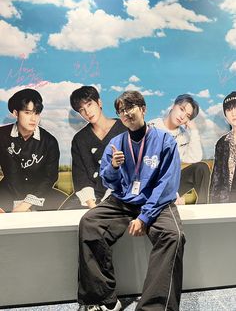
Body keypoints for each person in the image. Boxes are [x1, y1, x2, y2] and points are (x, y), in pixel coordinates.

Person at [78, 91, 185, 311]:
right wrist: (114, 167)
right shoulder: (116, 144)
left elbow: (167, 184)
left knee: (173, 236)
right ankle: (104, 300)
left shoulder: (165, 141)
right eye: (121, 111)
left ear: (143, 109)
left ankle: (155, 308)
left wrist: (145, 216)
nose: (126, 114)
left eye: (130, 107)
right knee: (90, 223)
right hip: (124, 201)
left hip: (156, 202)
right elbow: (110, 184)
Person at [0, 88, 67, 212]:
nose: (33, 118)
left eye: (36, 113)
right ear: (15, 113)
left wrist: (27, 204)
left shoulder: (49, 141)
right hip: (6, 194)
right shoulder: (1, 136)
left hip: (40, 195)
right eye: (27, 112)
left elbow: (50, 177)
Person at [60, 86, 126, 210]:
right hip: (90, 196)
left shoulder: (124, 127)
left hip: (120, 190)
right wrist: (92, 206)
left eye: (89, 105)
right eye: (82, 110)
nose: (87, 112)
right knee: (63, 215)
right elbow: (81, 177)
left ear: (99, 103)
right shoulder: (79, 139)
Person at [149, 94, 210, 204]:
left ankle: (203, 208)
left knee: (201, 168)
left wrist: (194, 131)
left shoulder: (183, 135)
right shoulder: (152, 127)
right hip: (151, 181)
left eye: (187, 116)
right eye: (181, 109)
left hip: (173, 181)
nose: (182, 117)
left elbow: (195, 158)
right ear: (173, 106)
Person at [210, 91, 236, 203]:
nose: (233, 113)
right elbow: (216, 177)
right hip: (225, 203)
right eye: (229, 109)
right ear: (225, 115)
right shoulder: (222, 142)